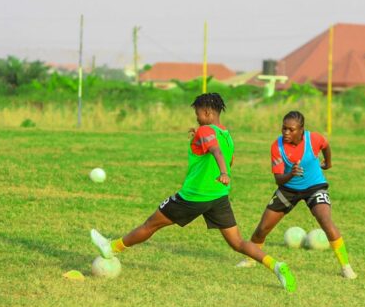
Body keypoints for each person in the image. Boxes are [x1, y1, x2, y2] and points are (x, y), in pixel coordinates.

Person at [90, 93, 296, 292]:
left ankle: (112, 247)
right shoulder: (226, 135)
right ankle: (276, 266)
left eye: (198, 113)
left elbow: (215, 152)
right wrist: (202, 146)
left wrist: (222, 171)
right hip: (218, 196)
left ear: (206, 112)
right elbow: (226, 157)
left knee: (150, 224)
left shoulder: (205, 131)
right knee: (238, 243)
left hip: (193, 196)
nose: (196, 118)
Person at [235, 111, 357, 279]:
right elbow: (278, 179)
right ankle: (250, 259)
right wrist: (291, 174)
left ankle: (346, 267)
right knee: (263, 228)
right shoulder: (277, 147)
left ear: (301, 130)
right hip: (288, 188)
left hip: (315, 186)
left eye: (291, 129)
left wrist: (328, 163)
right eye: (283, 129)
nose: (286, 133)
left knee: (325, 220)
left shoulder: (313, 139)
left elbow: (326, 145)